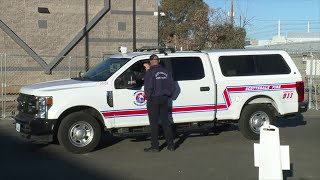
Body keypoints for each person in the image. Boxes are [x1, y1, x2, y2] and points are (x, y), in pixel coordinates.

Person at [143, 54, 176, 152]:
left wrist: (148, 97)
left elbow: (147, 87)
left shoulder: (150, 73)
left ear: (150, 62)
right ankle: (171, 145)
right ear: (159, 60)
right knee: (166, 122)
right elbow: (172, 85)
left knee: (154, 124)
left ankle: (155, 146)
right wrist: (168, 94)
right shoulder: (166, 71)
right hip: (164, 99)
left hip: (153, 99)